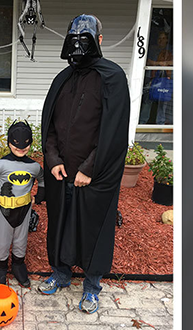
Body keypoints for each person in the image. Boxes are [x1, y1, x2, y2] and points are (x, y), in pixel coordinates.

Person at [38, 14, 130, 314]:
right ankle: (62, 274)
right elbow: (48, 125)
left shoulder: (112, 77)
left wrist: (89, 169)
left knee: (93, 229)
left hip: (94, 173)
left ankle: (91, 286)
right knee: (61, 224)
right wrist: (52, 160)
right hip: (61, 171)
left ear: (99, 40)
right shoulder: (62, 79)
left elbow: (114, 130)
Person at [0, 121, 45, 287]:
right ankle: (0, 268)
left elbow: (43, 181)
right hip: (5, 210)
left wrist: (40, 197)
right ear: (9, 143)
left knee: (21, 240)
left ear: (30, 143)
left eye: (25, 145)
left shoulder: (34, 167)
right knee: (2, 242)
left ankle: (18, 265)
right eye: (17, 145)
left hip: (25, 209)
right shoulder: (1, 165)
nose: (21, 148)